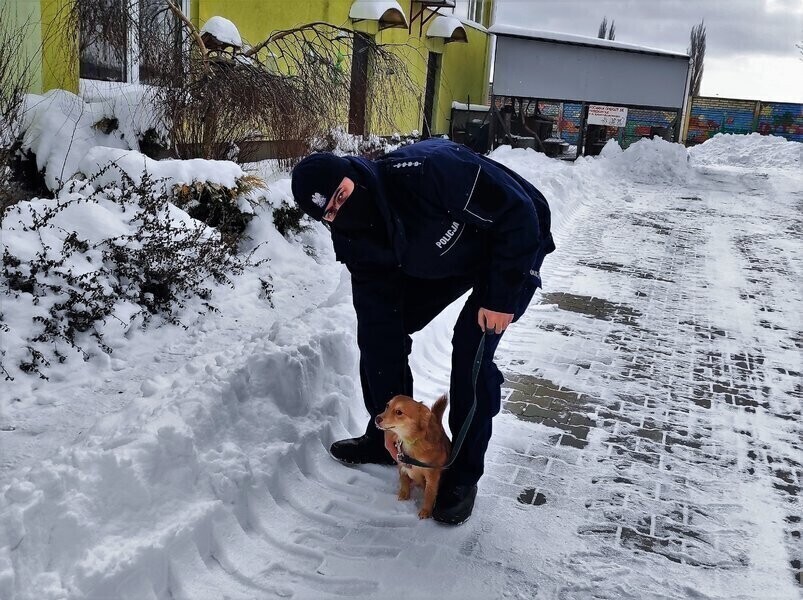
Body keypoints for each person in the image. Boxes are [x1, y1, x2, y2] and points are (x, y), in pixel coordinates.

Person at [291, 138, 554, 525]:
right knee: (381, 331)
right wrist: (387, 418)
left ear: (354, 175)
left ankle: (461, 473)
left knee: (471, 349)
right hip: (444, 256)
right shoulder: (354, 238)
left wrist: (501, 295)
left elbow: (518, 213)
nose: (341, 212)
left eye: (343, 196)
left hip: (513, 241)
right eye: (330, 213)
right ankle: (392, 440)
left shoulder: (430, 173)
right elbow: (378, 325)